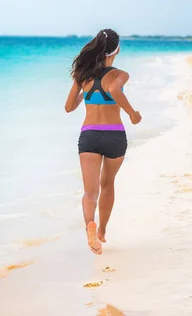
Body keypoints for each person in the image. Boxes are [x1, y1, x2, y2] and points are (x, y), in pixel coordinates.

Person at [64, 29, 142, 255]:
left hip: (89, 136)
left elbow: (69, 108)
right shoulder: (119, 74)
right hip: (114, 136)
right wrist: (132, 114)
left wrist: (84, 91)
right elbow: (113, 89)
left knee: (90, 192)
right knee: (107, 184)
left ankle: (90, 223)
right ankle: (103, 231)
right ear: (116, 50)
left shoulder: (83, 75)